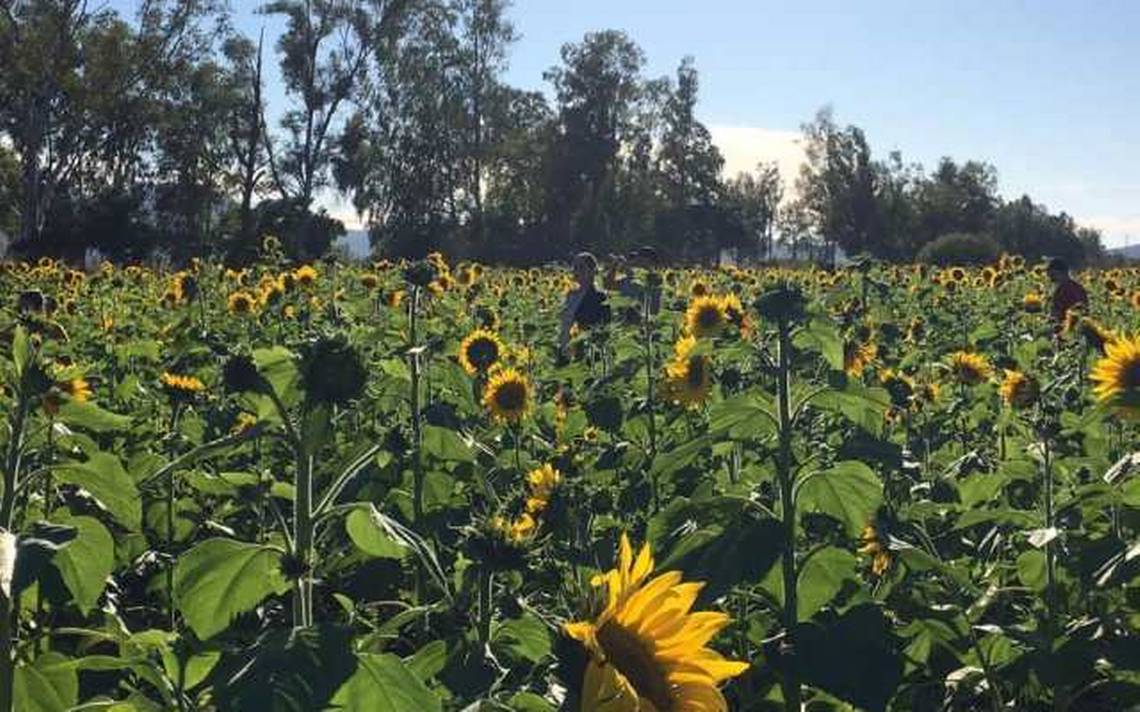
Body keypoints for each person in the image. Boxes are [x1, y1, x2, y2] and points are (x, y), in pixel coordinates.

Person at [559, 252, 611, 354]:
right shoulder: (570, 295)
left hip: (586, 350)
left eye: (581, 267)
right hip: (565, 347)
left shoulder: (599, 297)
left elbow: (604, 327)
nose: (577, 271)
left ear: (592, 271)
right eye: (575, 268)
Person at [1046, 257, 1088, 330]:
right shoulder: (1079, 287)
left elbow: (1056, 314)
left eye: (1051, 273)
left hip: (1065, 329)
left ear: (1058, 272)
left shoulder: (1061, 290)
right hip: (1081, 328)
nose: (1049, 276)